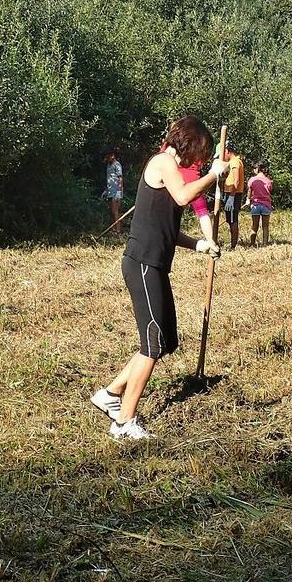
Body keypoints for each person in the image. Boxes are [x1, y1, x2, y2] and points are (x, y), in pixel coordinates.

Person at [90, 116, 227, 440]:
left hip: (156, 264)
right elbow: (182, 197)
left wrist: (200, 244)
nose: (203, 158)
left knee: (165, 340)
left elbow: (168, 227)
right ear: (190, 144)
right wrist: (212, 175)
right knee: (152, 343)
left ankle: (109, 394)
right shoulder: (163, 161)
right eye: (202, 151)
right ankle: (124, 422)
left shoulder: (173, 173)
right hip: (142, 263)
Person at [216, 141, 245, 249]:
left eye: (223, 154)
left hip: (234, 194)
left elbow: (236, 180)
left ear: (227, 151)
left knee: (233, 220)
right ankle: (233, 243)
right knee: (230, 219)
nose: (222, 157)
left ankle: (233, 245)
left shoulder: (235, 162)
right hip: (230, 193)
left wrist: (232, 197)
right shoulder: (233, 163)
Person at [246, 162, 273, 246]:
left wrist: (248, 199)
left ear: (257, 169)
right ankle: (265, 243)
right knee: (265, 226)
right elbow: (270, 191)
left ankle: (252, 243)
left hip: (255, 205)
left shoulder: (252, 180)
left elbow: (249, 191)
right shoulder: (268, 180)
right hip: (266, 205)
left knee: (255, 226)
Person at [102, 148, 124, 234]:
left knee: (115, 211)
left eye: (109, 156)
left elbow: (120, 178)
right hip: (110, 190)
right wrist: (106, 190)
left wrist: (120, 190)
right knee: (111, 211)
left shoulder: (117, 165)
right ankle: (114, 229)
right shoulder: (108, 165)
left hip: (116, 191)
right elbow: (109, 179)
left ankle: (118, 230)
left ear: (113, 156)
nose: (107, 158)